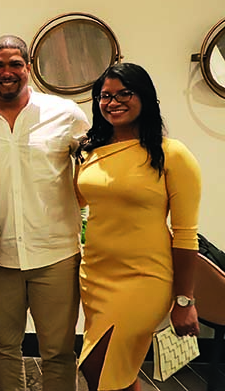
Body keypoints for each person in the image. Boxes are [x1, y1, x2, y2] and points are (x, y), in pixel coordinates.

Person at [0, 35, 89, 391]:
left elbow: (93, 166)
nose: (7, 72)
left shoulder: (66, 115)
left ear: (28, 68)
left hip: (56, 255)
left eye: (15, 64)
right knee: (3, 347)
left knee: (58, 351)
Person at [75, 63, 201, 391]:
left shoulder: (172, 154)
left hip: (144, 278)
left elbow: (186, 234)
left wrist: (184, 300)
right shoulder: (91, 153)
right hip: (95, 276)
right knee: (116, 370)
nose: (113, 102)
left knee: (99, 367)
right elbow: (79, 200)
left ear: (144, 97)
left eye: (124, 94)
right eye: (105, 96)